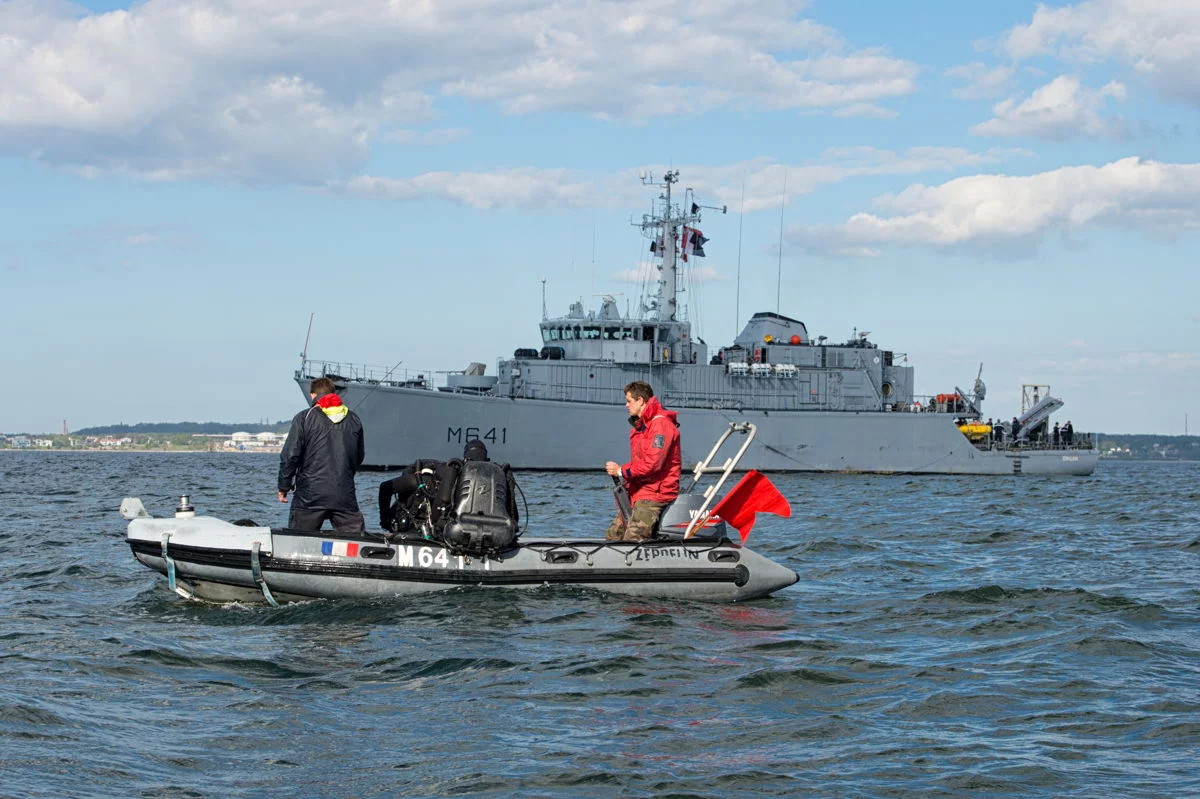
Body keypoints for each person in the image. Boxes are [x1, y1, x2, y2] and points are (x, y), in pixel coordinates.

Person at [277, 377, 366, 532]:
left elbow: (290, 455)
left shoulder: (305, 417)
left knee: (300, 541)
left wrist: (284, 486)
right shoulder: (353, 418)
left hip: (309, 496)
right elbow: (359, 456)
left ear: (313, 395)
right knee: (356, 542)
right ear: (333, 393)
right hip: (344, 494)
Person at [604, 381, 681, 542]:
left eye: (629, 401)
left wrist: (620, 471)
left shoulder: (660, 425)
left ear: (640, 400)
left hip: (655, 493)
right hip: (639, 492)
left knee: (632, 538)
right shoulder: (643, 426)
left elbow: (652, 464)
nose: (626, 405)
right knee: (613, 535)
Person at [377, 440, 492, 535]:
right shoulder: (428, 480)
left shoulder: (484, 485)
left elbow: (384, 488)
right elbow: (386, 488)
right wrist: (385, 520)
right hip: (417, 523)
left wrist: (383, 520)